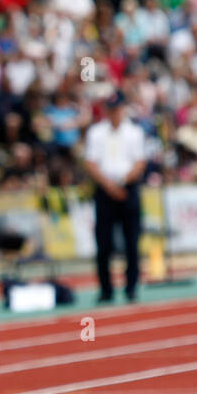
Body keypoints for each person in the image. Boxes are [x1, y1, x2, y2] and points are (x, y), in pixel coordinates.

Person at [83, 93, 146, 301]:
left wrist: (122, 182)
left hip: (128, 190)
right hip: (105, 191)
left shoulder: (134, 132)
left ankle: (131, 287)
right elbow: (91, 163)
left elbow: (139, 162)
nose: (114, 113)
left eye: (117, 109)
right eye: (110, 109)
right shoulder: (96, 132)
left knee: (131, 243)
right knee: (104, 244)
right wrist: (110, 185)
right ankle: (106, 289)